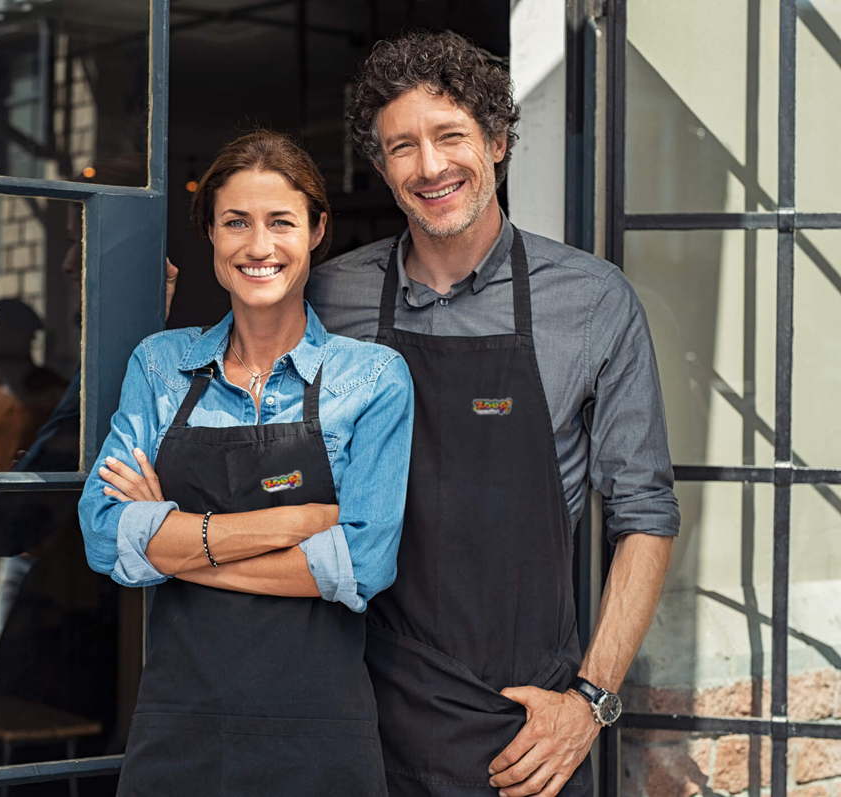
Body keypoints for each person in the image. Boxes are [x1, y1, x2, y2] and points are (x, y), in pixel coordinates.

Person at [306, 31, 680, 797]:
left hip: (525, 729)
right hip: (356, 707)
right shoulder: (328, 297)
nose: (430, 165)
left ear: (499, 140)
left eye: (450, 135)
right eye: (401, 146)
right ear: (380, 166)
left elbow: (644, 513)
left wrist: (591, 700)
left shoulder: (592, 300)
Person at [79, 129, 414, 796]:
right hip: (181, 730)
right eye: (236, 222)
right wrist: (298, 523)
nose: (258, 246)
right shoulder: (161, 365)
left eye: (280, 222)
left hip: (320, 736)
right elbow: (101, 533)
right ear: (210, 234)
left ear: (317, 230)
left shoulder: (372, 379)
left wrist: (175, 544)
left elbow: (365, 565)